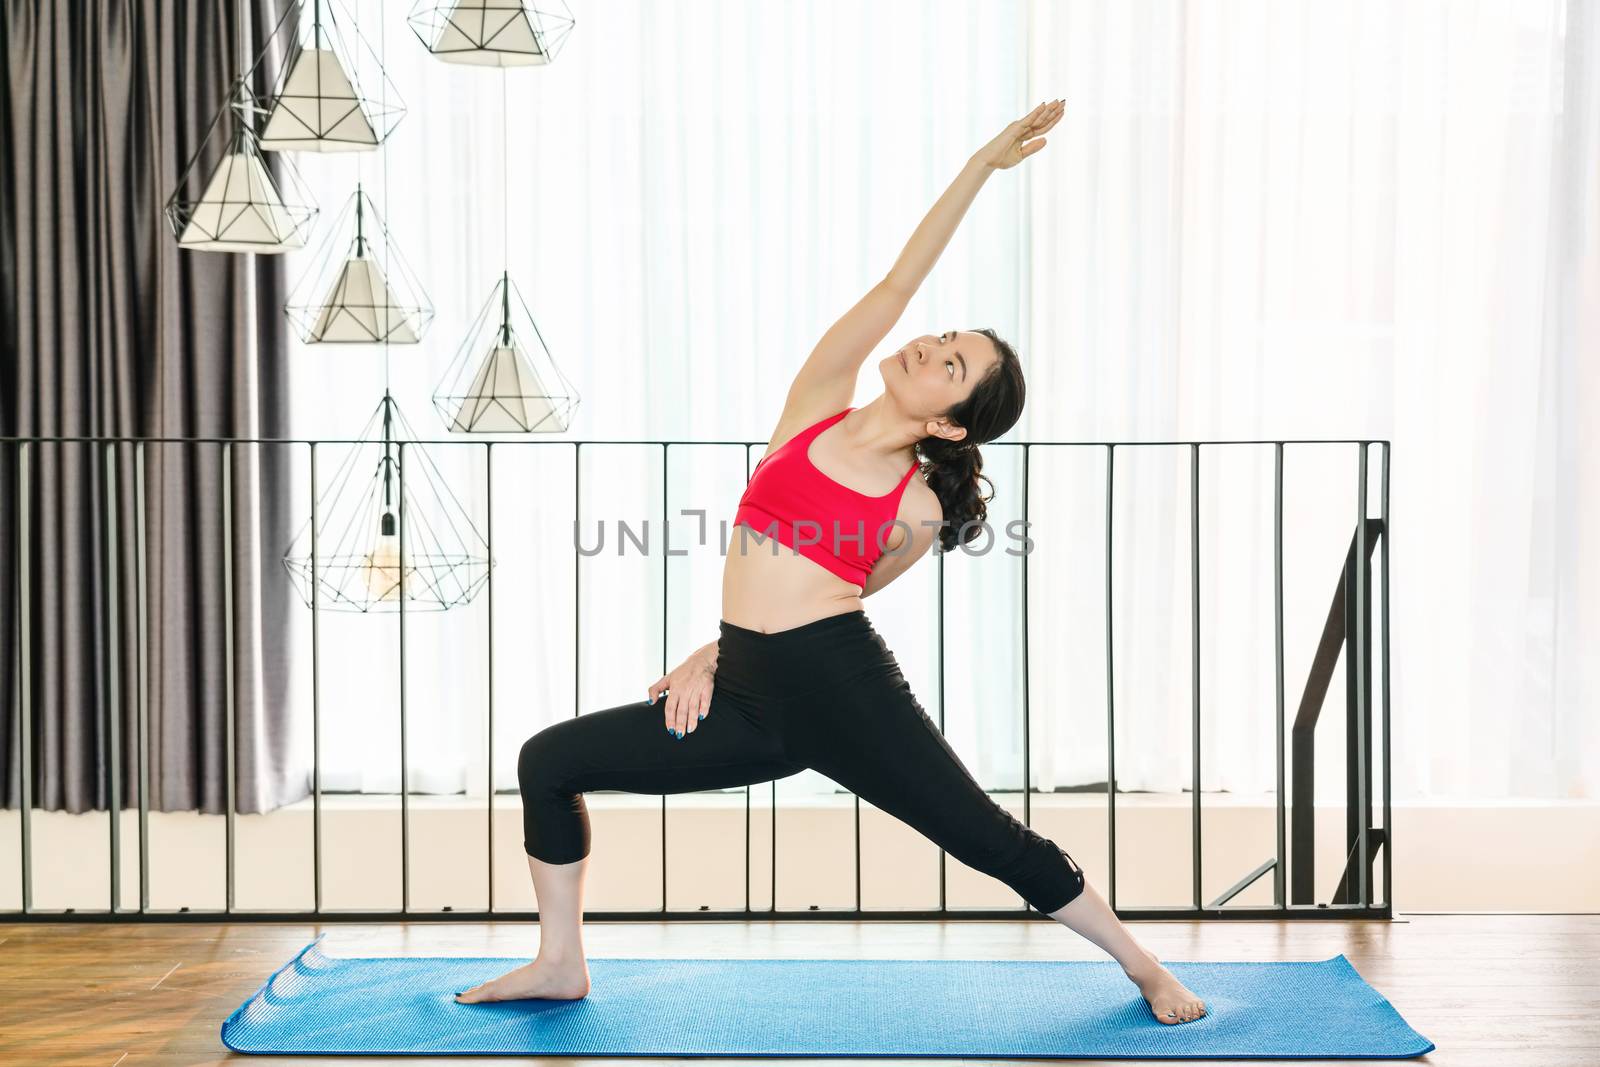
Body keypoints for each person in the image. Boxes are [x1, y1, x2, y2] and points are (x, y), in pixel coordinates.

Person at [458, 99, 1207, 1026]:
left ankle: (1145, 967)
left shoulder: (917, 501)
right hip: (743, 694)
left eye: (952, 365)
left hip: (841, 689)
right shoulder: (815, 406)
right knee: (549, 761)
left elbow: (835, 600)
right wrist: (979, 165)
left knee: (984, 838)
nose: (931, 345)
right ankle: (560, 962)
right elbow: (897, 283)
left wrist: (734, 652)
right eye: (946, 338)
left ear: (946, 420)